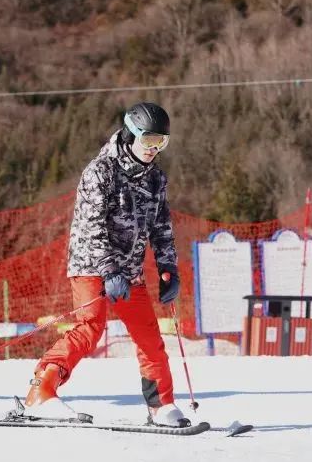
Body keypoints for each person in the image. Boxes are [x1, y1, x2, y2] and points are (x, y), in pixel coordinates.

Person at [21, 101, 187, 426]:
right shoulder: (100, 172)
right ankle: (41, 391)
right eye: (148, 140)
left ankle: (162, 406)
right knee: (90, 328)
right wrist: (109, 270)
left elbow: (161, 227)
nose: (154, 149)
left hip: (130, 271)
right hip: (91, 265)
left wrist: (168, 268)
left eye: (161, 142)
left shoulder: (156, 180)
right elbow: (91, 225)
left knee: (148, 336)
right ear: (131, 133)